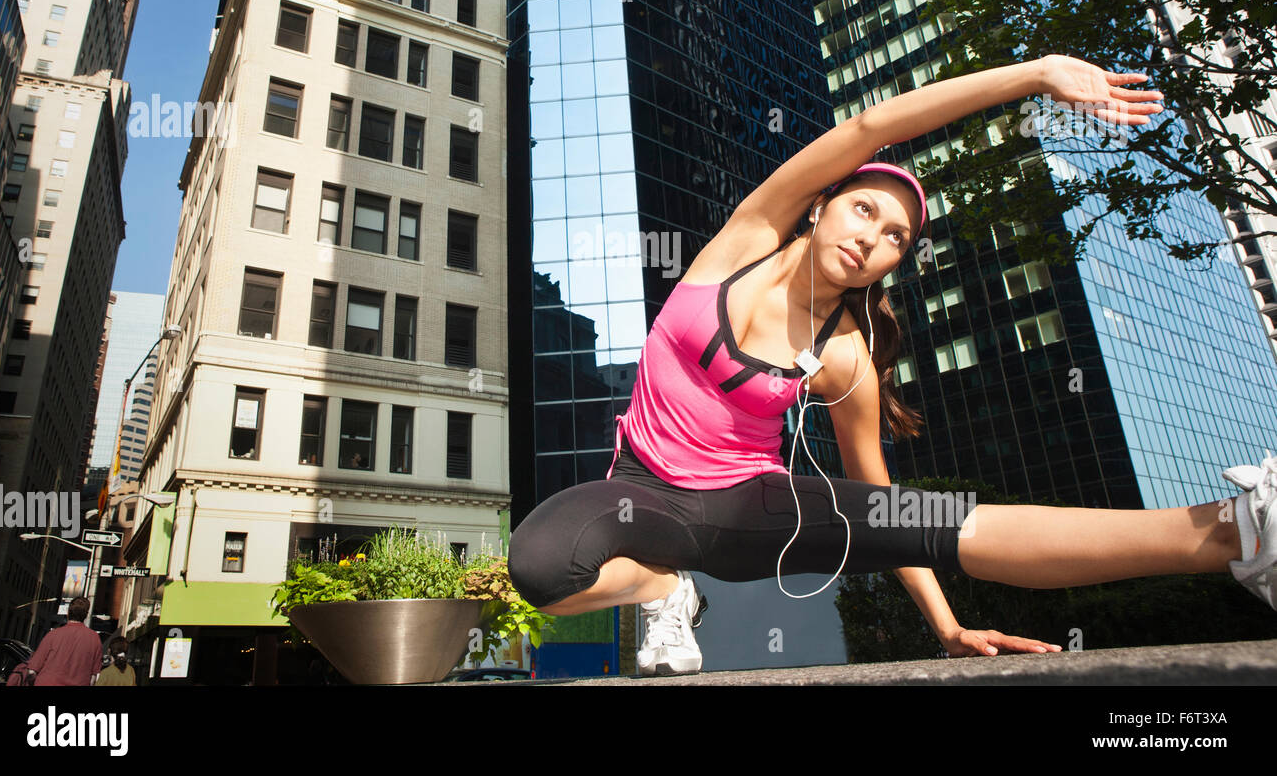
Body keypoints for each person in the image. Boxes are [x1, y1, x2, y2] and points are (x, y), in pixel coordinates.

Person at [508, 54, 1277, 675]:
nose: (872, 235)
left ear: (894, 263)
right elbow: (874, 123)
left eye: (896, 237)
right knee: (542, 569)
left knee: (940, 521)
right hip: (639, 493)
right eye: (863, 208)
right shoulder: (741, 242)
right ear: (820, 206)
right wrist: (1036, 75)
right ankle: (665, 590)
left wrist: (944, 625)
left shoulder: (843, 353)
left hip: (752, 513)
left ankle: (1235, 532)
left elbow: (880, 498)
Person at [25, 597, 103, 685]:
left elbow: (32, 671)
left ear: (68, 613)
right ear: (86, 615)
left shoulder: (53, 635)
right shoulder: (94, 638)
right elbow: (93, 677)